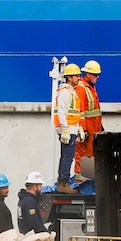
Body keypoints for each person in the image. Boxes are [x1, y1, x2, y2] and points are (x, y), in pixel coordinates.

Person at [52, 63, 82, 194]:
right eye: (76, 76)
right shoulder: (65, 92)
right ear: (69, 78)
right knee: (67, 157)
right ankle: (63, 183)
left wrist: (78, 128)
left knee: (66, 156)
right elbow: (62, 112)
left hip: (71, 129)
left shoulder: (70, 91)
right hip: (67, 130)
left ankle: (63, 182)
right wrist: (65, 129)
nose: (79, 78)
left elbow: (73, 112)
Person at [73, 59, 103, 183]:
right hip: (87, 126)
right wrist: (83, 129)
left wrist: (100, 127)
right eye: (95, 75)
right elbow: (81, 111)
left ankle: (88, 174)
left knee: (91, 151)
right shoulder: (81, 88)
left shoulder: (90, 87)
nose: (97, 77)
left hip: (94, 126)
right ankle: (79, 175)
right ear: (88, 74)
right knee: (81, 150)